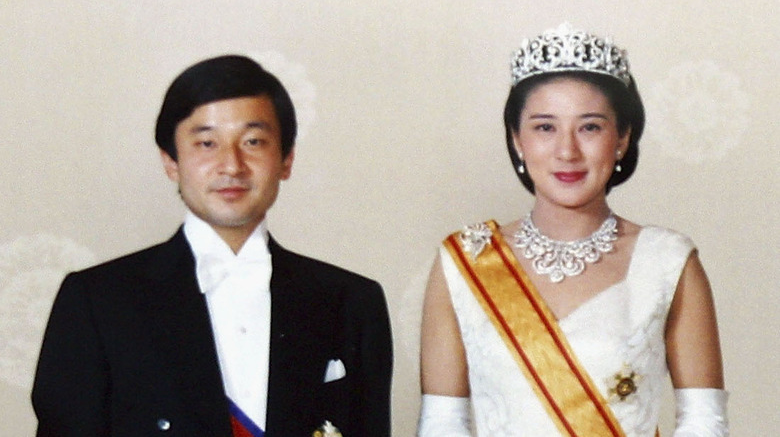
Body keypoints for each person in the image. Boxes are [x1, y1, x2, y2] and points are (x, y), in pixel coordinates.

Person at [32, 55, 392, 437]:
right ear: (171, 161)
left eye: (253, 142)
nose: (231, 165)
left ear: (286, 159)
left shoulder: (352, 301)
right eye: (207, 143)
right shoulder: (97, 301)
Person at [418, 24, 728, 436]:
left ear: (621, 139)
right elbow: (442, 426)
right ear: (516, 140)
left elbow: (704, 423)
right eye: (545, 127)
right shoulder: (465, 262)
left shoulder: (669, 261)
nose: (567, 151)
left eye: (590, 127)